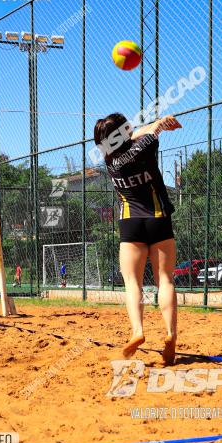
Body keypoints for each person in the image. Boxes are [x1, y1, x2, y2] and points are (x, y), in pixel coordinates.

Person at [93, 112, 181, 365]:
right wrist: (162, 121)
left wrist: (155, 125)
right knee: (165, 279)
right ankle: (170, 335)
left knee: (132, 283)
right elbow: (148, 132)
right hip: (158, 217)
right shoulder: (145, 145)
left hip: (130, 223)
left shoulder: (109, 159)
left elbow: (133, 135)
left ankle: (138, 331)